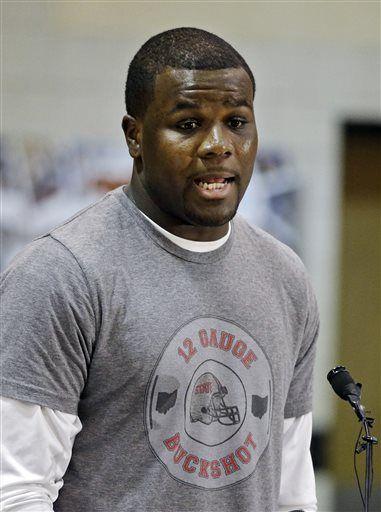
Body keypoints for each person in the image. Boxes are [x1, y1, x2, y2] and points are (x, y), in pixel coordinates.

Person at [1, 27, 319, 512]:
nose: (218, 145)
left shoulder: (286, 278)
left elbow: (292, 490)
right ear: (135, 136)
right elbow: (18, 492)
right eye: (189, 124)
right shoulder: (60, 275)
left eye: (237, 121)